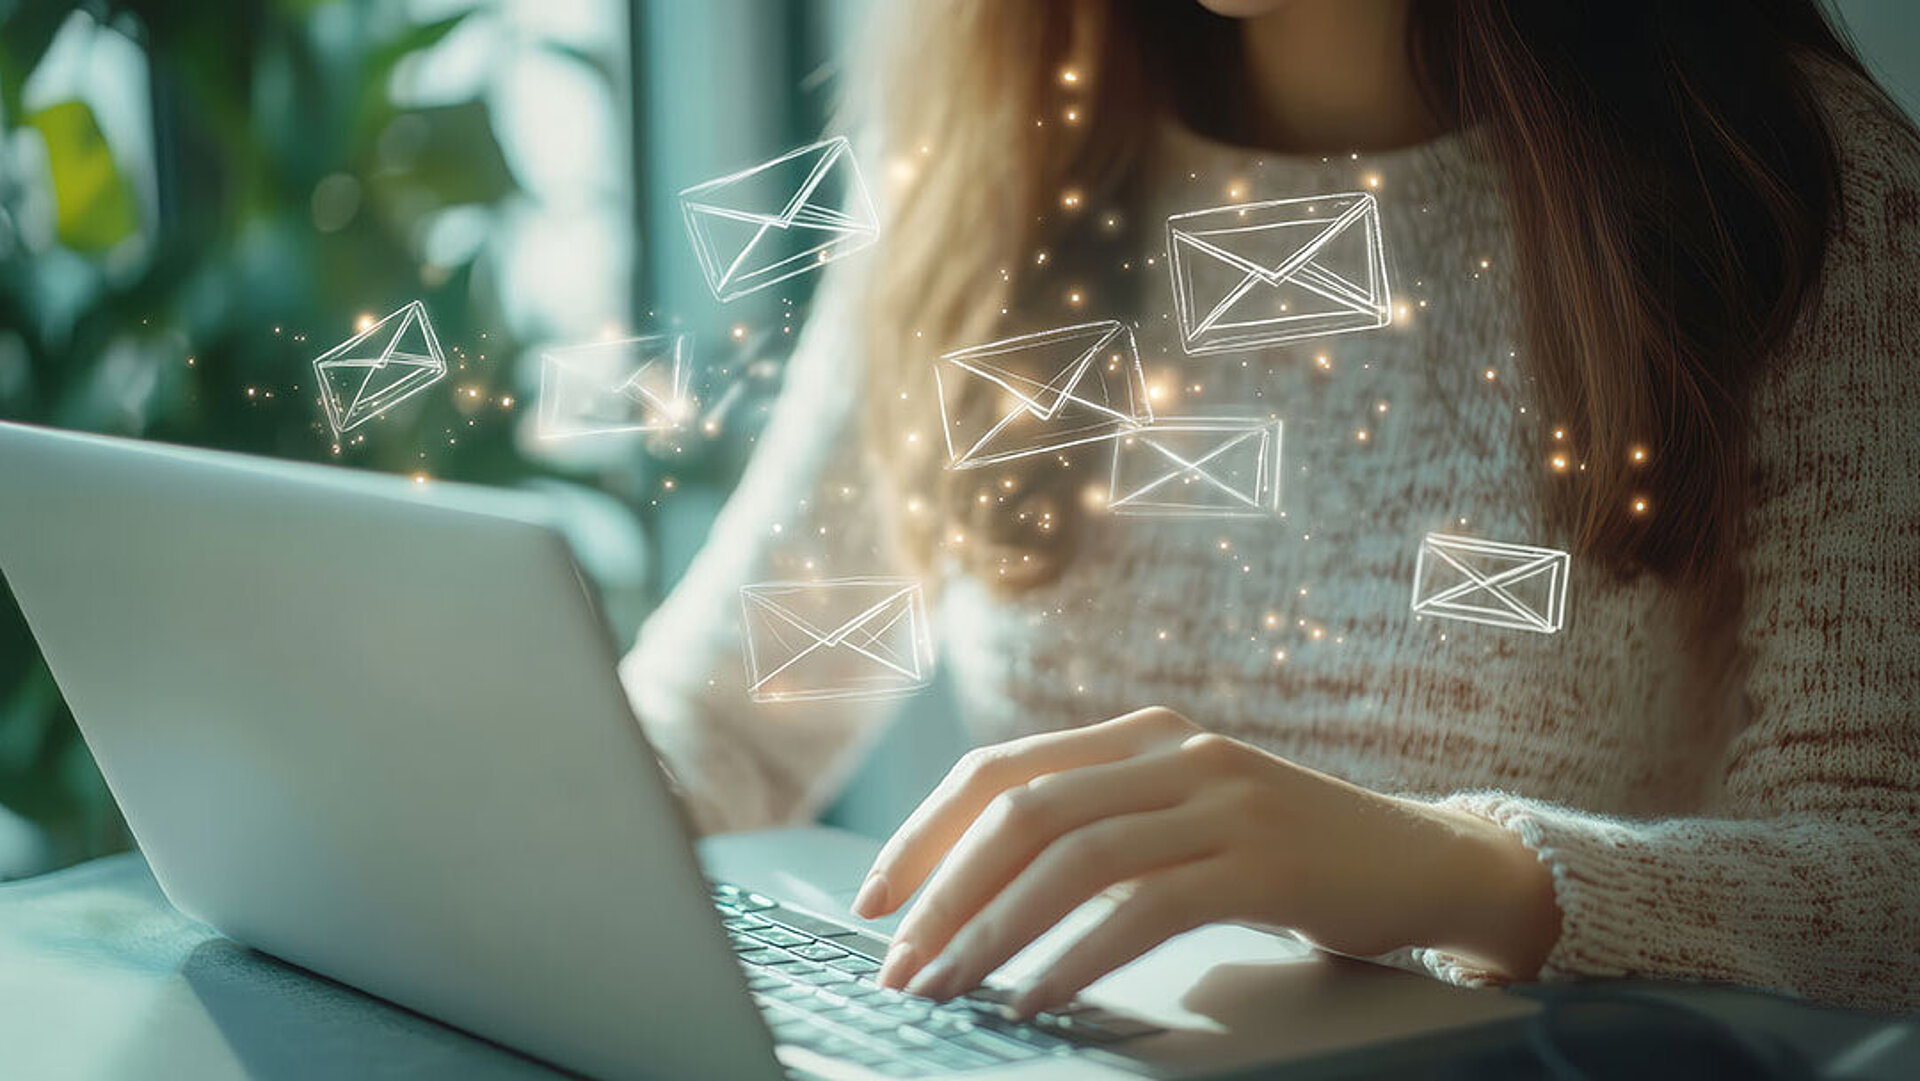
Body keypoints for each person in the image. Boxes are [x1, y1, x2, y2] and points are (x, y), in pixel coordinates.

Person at [621, 0, 1920, 1015]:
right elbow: (730, 717)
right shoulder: (984, 183)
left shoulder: (1798, 195)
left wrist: (1452, 870)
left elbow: (1889, 879)